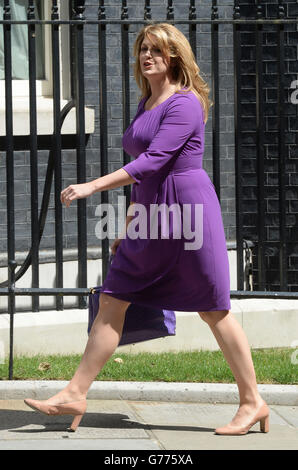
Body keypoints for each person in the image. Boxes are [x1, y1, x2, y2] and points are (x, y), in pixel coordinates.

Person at [24, 23, 269, 435]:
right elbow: (145, 176)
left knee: (213, 308)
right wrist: (130, 221)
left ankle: (253, 402)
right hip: (151, 215)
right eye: (143, 49)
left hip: (188, 212)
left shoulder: (186, 103)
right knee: (113, 297)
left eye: (157, 49)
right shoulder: (148, 102)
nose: (147, 56)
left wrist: (93, 185)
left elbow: (153, 162)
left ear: (175, 56)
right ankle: (74, 393)